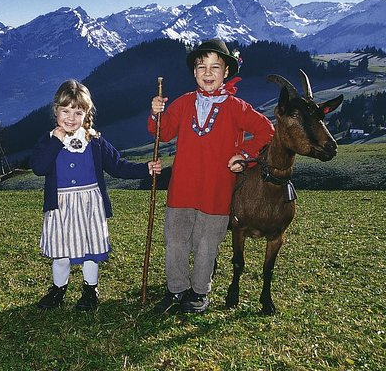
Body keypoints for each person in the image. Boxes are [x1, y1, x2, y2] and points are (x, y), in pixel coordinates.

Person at [148, 39, 274, 314]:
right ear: (194, 72)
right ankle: (176, 289)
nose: (208, 72)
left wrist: (244, 154)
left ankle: (199, 291)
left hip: (217, 190)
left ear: (226, 71)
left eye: (215, 67)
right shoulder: (183, 103)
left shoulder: (237, 107)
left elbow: (267, 132)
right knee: (176, 240)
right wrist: (157, 114)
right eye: (201, 66)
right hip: (181, 188)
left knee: (207, 243)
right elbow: (164, 132)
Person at [31, 79, 158, 311]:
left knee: (90, 251)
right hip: (61, 205)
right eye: (65, 111)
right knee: (61, 252)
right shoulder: (49, 140)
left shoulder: (95, 141)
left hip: (90, 205)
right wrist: (56, 141)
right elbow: (39, 167)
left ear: (86, 113)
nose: (70, 118)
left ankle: (90, 290)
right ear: (55, 111)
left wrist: (146, 168)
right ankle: (58, 289)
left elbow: (118, 166)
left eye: (77, 112)